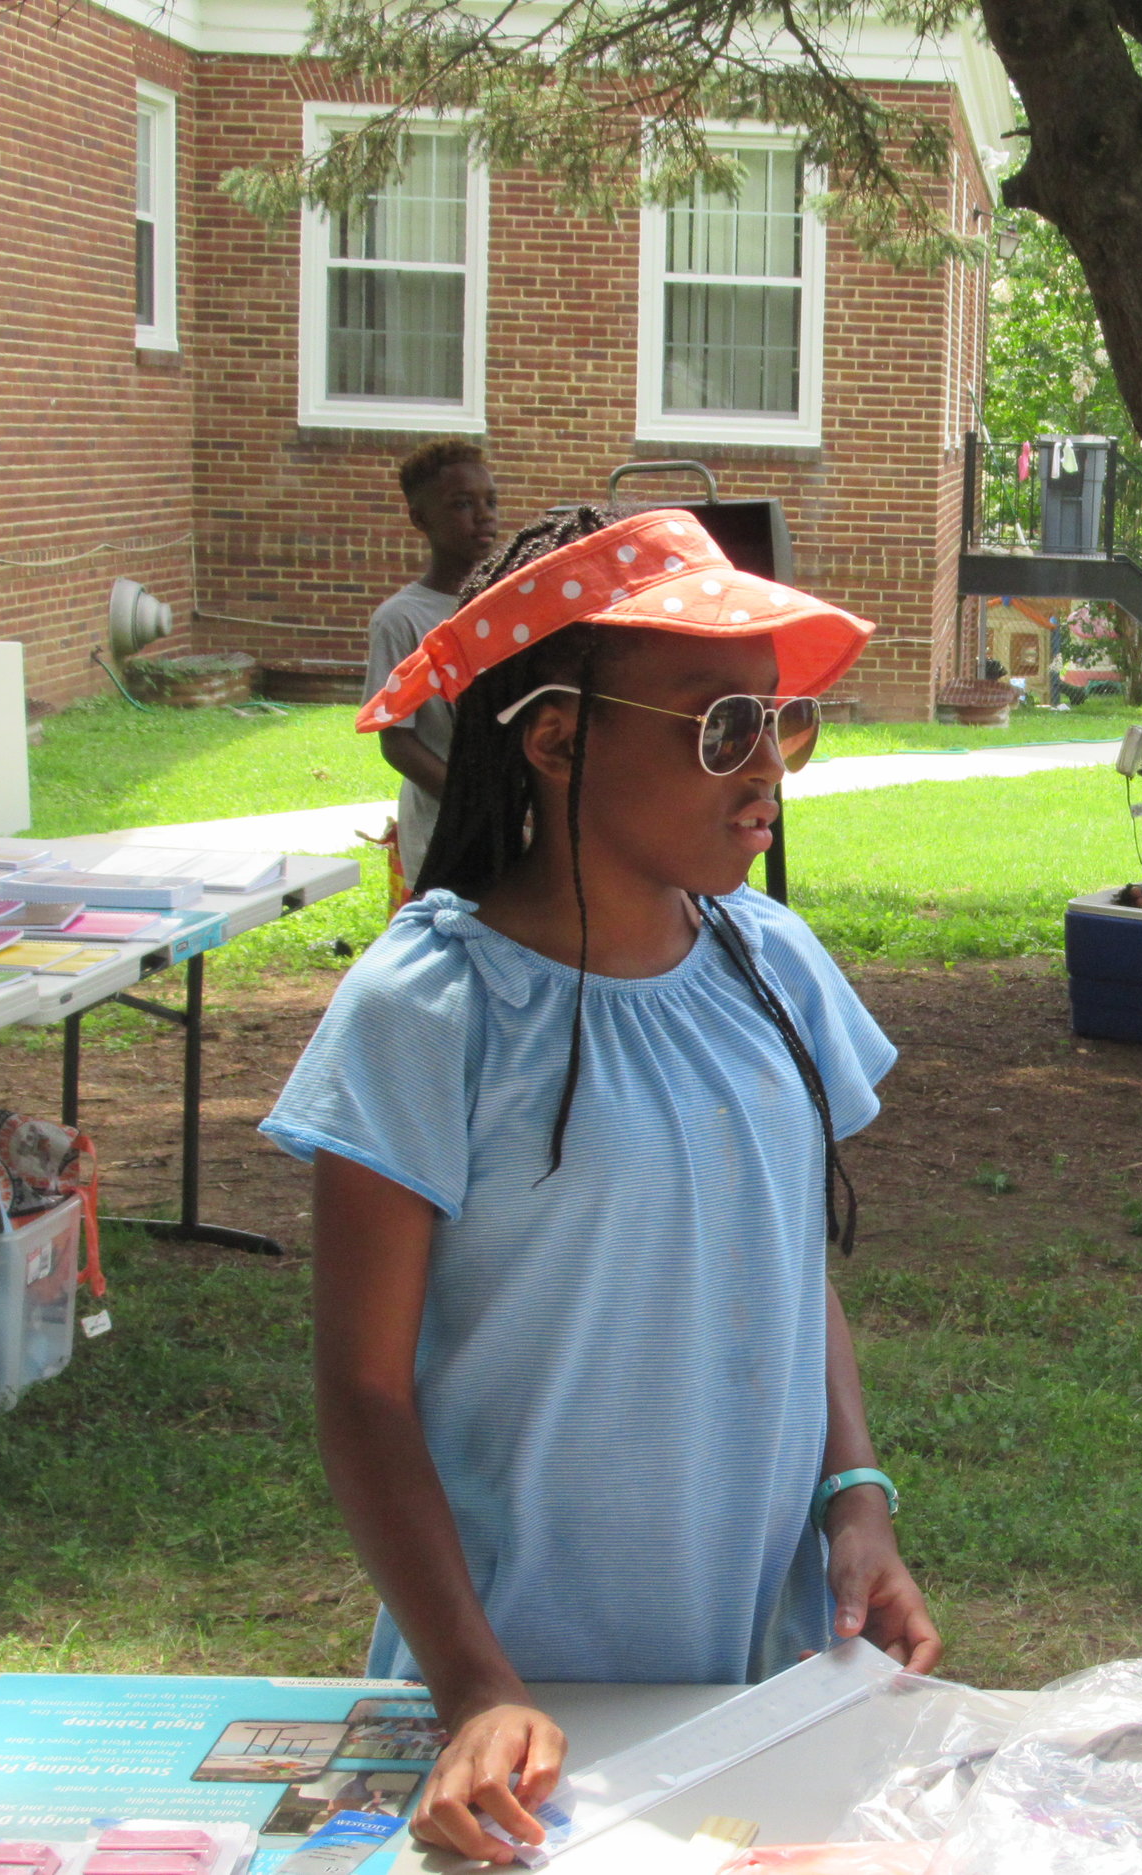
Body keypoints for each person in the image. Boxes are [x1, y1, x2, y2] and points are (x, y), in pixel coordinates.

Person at [263, 506, 939, 1860]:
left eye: (782, 719)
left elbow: (783, 1262)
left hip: (751, 1658)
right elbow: (364, 1388)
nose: (767, 771)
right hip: (519, 1694)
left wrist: (853, 1497)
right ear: (559, 736)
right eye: (718, 725)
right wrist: (477, 1683)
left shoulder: (774, 965)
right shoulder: (432, 1006)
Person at [368, 439, 503, 882]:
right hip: (444, 830)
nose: (483, 515)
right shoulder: (401, 620)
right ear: (421, 519)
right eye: (462, 504)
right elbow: (398, 742)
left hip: (518, 827)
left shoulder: (511, 604)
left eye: (490, 501)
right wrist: (475, 803)